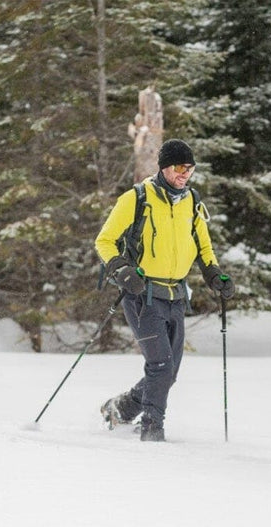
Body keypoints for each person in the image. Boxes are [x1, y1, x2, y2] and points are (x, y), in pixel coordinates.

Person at [95, 139, 235, 442]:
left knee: (169, 372)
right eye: (179, 168)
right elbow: (104, 241)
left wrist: (214, 274)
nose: (185, 174)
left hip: (175, 295)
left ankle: (120, 408)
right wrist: (121, 270)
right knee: (159, 365)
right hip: (142, 295)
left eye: (190, 169)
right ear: (164, 167)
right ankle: (152, 430)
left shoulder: (192, 201)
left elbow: (203, 244)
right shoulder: (137, 198)